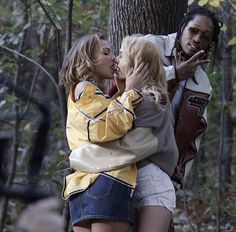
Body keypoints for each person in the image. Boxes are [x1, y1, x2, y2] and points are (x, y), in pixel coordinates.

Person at [71, 34, 179, 232]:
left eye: (121, 55)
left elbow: (127, 149)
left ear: (137, 65)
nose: (115, 60)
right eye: (112, 54)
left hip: (152, 187)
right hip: (127, 184)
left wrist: (81, 157)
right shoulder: (122, 99)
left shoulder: (152, 101)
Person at [59, 34, 149, 232]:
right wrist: (131, 92)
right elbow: (106, 128)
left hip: (82, 187)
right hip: (106, 180)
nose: (114, 58)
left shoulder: (83, 94)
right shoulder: (86, 88)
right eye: (106, 53)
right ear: (88, 60)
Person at [145, 7, 223, 189]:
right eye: (193, 30)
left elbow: (193, 136)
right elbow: (126, 75)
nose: (197, 39)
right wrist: (174, 73)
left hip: (162, 171)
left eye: (205, 36)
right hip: (129, 157)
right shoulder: (151, 45)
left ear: (210, 44)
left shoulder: (202, 83)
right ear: (183, 28)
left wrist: (177, 179)